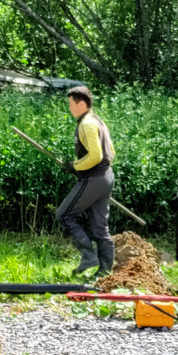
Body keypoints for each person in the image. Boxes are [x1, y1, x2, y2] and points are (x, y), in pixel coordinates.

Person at [56, 86, 116, 276]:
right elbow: (111, 152)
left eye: (71, 104)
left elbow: (96, 156)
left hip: (94, 178)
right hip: (106, 176)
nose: (70, 108)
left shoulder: (87, 124)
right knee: (100, 226)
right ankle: (105, 271)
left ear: (81, 104)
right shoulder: (98, 121)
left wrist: (75, 165)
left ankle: (89, 256)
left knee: (64, 215)